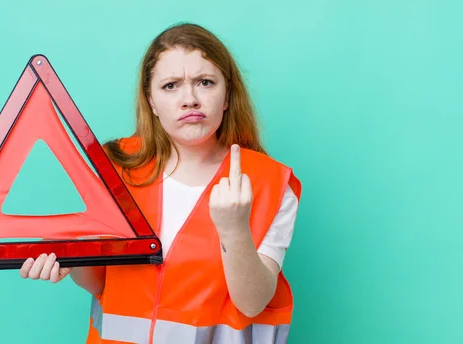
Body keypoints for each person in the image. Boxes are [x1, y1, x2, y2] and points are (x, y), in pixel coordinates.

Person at [20, 22, 301, 344]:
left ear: (227, 96)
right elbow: (101, 283)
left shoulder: (271, 182)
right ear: (151, 101)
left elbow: (252, 304)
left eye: (205, 82)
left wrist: (234, 229)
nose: (190, 99)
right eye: (170, 86)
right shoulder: (116, 169)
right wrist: (71, 260)